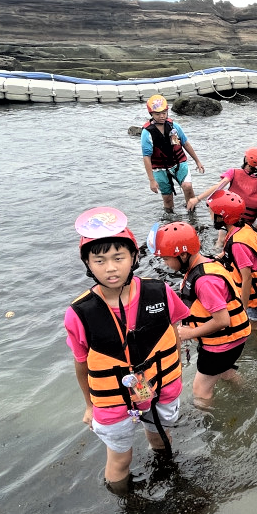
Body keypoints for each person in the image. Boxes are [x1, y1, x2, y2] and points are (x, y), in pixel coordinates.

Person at [65, 207, 188, 492]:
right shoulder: (79, 313)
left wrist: (176, 372)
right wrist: (89, 405)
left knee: (160, 438)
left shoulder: (159, 292)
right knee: (120, 459)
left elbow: (173, 333)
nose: (110, 268)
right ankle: (127, 508)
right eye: (100, 260)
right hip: (113, 402)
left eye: (118, 258)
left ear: (133, 257)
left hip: (162, 385)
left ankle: (167, 478)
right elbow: (81, 363)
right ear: (88, 264)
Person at [152, 221, 250, 408]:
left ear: (182, 254)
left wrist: (190, 333)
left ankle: (212, 426)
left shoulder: (205, 281)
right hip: (233, 339)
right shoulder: (204, 263)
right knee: (225, 371)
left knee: (200, 390)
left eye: (165, 259)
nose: (165, 264)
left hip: (222, 345)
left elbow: (222, 320)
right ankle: (248, 395)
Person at [207, 190, 257, 330]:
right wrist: (213, 261)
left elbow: (247, 278)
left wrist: (243, 308)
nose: (210, 216)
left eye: (212, 213)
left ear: (222, 216)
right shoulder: (244, 228)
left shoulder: (237, 244)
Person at [188, 147, 257, 237]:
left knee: (221, 240)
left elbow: (218, 187)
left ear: (247, 161)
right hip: (250, 219)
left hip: (230, 217)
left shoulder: (233, 172)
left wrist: (197, 199)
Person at [140, 95, 205, 212]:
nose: (162, 116)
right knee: (168, 199)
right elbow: (146, 157)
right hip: (160, 169)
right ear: (151, 114)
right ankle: (170, 221)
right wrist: (151, 180)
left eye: (164, 113)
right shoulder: (147, 133)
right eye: (158, 114)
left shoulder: (174, 126)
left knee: (187, 187)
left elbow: (185, 143)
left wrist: (197, 161)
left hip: (178, 163)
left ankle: (193, 217)